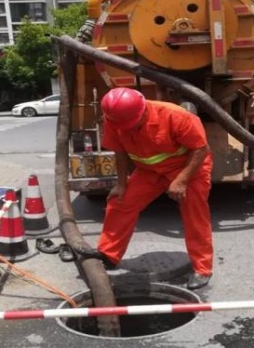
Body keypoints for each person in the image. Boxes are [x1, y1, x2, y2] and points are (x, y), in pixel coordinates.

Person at [84, 87, 214, 290]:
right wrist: (121, 183)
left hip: (187, 168)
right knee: (119, 203)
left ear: (143, 110)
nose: (127, 129)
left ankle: (202, 268)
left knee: (195, 216)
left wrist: (181, 180)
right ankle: (108, 254)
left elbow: (200, 149)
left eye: (132, 125)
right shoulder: (115, 119)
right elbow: (119, 151)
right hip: (149, 171)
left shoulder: (175, 115)